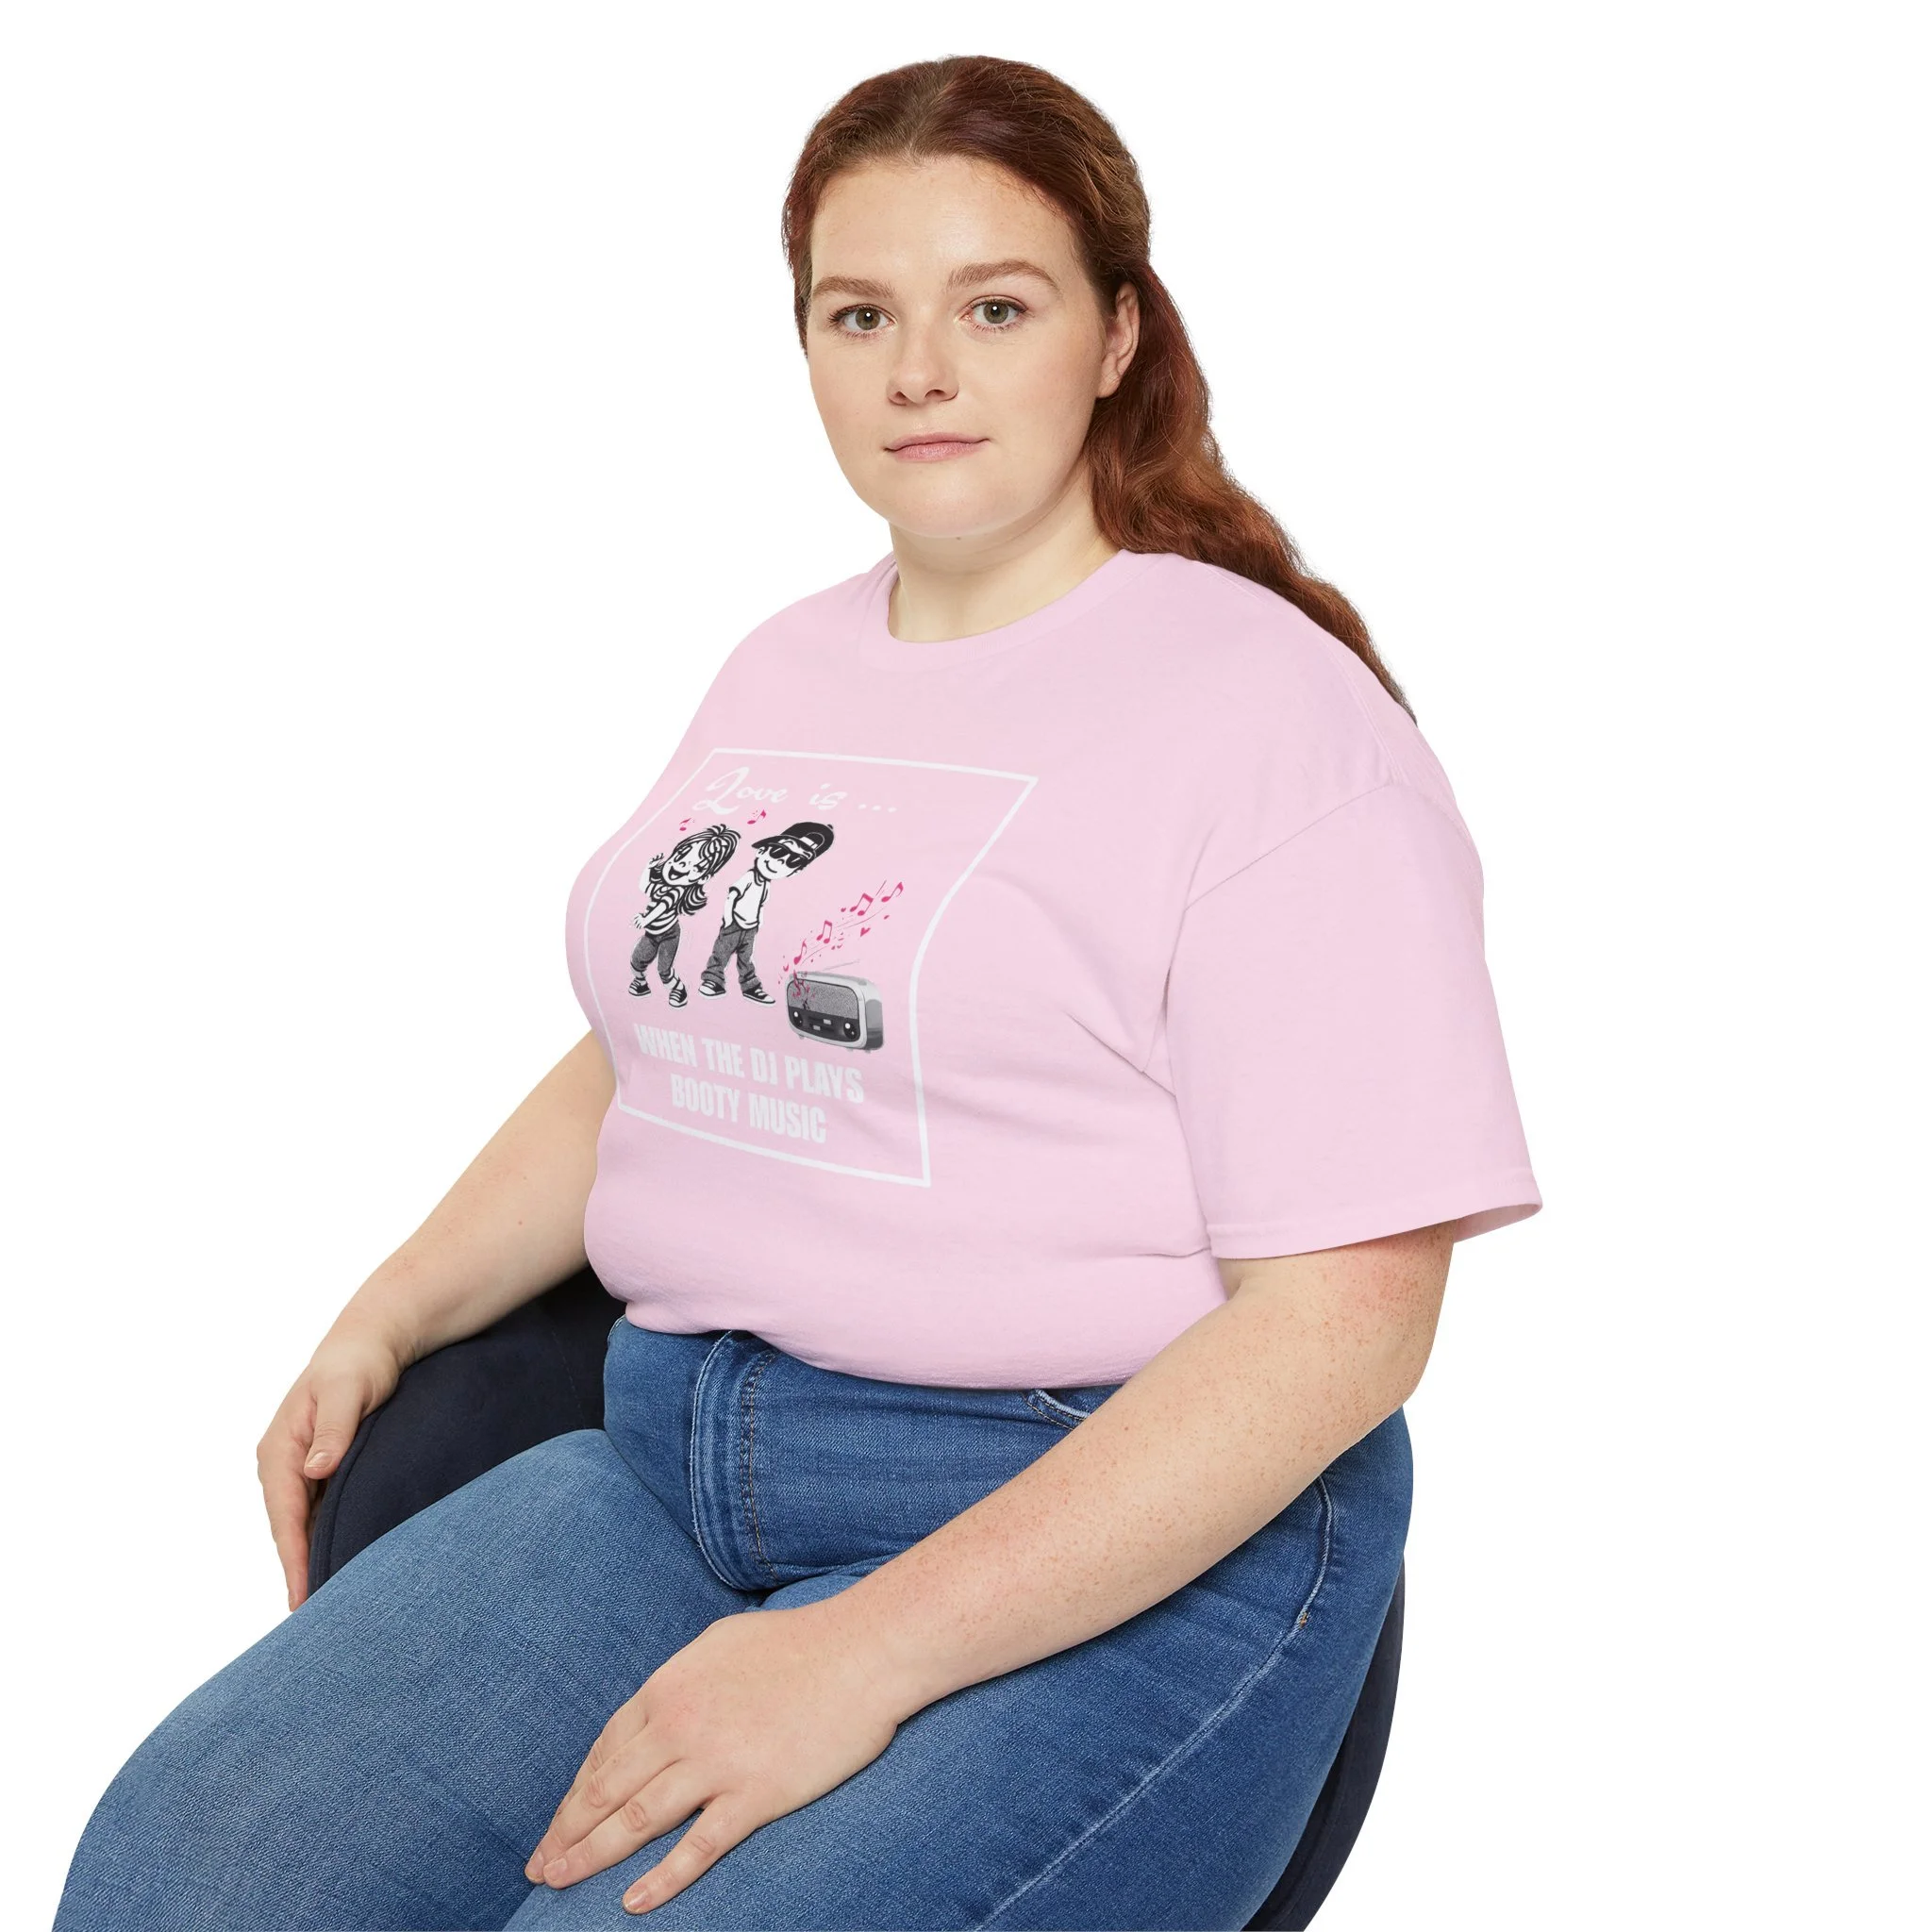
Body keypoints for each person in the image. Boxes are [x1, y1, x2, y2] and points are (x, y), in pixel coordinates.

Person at [55, 52, 1542, 1932]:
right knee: (177, 1882)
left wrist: (865, 1656)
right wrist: (390, 1308)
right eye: (860, 314)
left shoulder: (1276, 728)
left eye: (993, 307)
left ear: (1113, 335)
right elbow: (670, 1043)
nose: (920, 370)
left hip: (1093, 1509)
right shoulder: (788, 670)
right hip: (679, 1468)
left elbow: (1345, 1324)